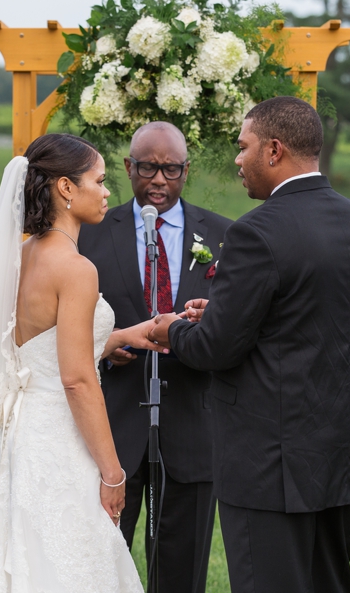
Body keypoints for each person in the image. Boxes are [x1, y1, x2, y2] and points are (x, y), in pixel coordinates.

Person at [150, 96, 350, 593]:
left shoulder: (257, 232)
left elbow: (215, 349)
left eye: (244, 146)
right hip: (338, 454)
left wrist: (170, 329)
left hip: (270, 463)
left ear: (274, 150)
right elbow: (309, 318)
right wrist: (223, 312)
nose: (237, 159)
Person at [0, 133, 166, 593]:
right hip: (61, 437)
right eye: (98, 181)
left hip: (25, 436)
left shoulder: (23, 258)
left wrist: (124, 335)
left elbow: (43, 348)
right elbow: (77, 379)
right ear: (65, 188)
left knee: (15, 552)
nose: (106, 192)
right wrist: (113, 472)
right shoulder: (77, 268)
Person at [78, 121, 232, 593]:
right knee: (103, 568)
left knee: (182, 576)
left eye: (171, 170)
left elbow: (234, 325)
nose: (159, 180)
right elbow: (68, 327)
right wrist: (107, 351)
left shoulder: (224, 235)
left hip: (193, 425)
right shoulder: (91, 234)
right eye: (148, 168)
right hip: (114, 427)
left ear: (188, 171)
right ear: (128, 167)